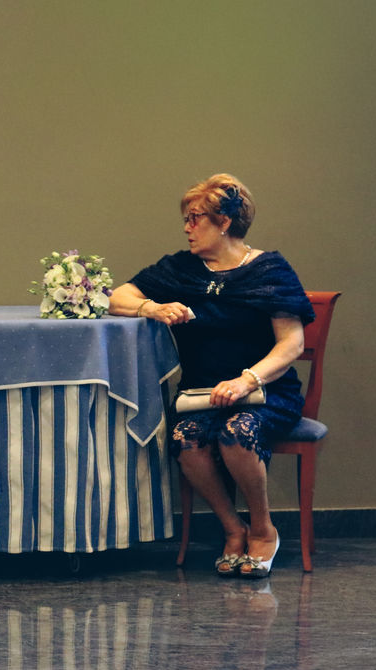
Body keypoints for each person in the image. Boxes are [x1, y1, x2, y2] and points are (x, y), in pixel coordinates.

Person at [109, 174, 313, 578]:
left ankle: (262, 529)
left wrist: (247, 380)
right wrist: (153, 308)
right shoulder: (180, 270)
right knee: (186, 439)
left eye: (195, 218)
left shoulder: (270, 269)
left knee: (236, 431)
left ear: (223, 222)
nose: (186, 227)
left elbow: (290, 345)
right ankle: (231, 529)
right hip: (200, 394)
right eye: (186, 219)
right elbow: (118, 297)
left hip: (264, 392)